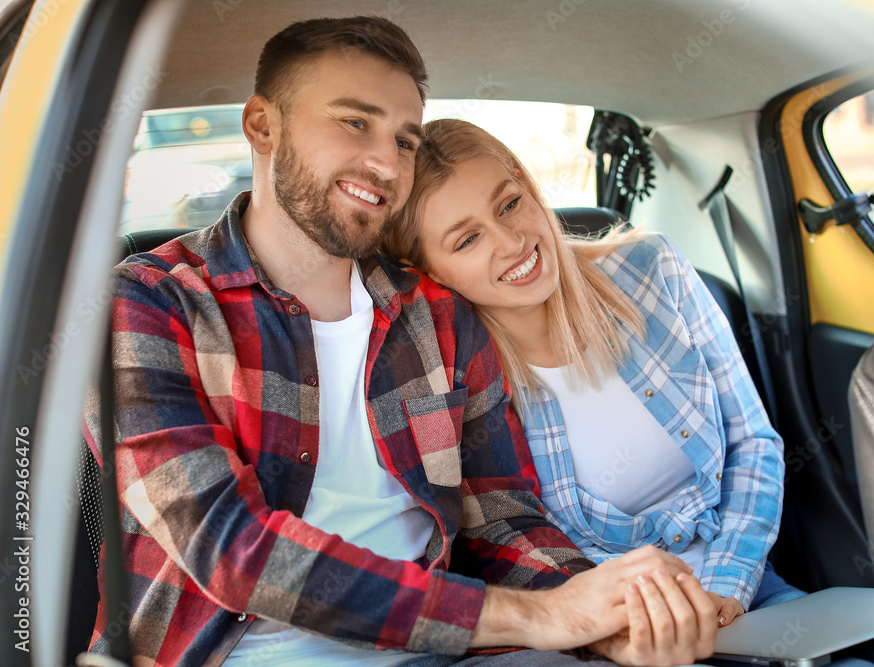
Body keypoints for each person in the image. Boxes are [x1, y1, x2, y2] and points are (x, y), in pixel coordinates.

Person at [84, 16, 718, 667]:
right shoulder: (146, 304)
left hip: (446, 653)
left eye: (406, 140)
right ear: (262, 126)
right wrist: (539, 614)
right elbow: (228, 548)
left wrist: (598, 615)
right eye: (355, 122)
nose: (387, 163)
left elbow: (502, 520)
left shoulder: (440, 316)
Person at [382, 119, 874, 667]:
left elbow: (753, 441)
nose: (511, 242)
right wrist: (621, 627)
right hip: (611, 634)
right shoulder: (454, 381)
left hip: (743, 589)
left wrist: (727, 588)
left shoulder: (653, 270)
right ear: (428, 273)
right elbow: (505, 539)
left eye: (509, 204)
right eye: (467, 238)